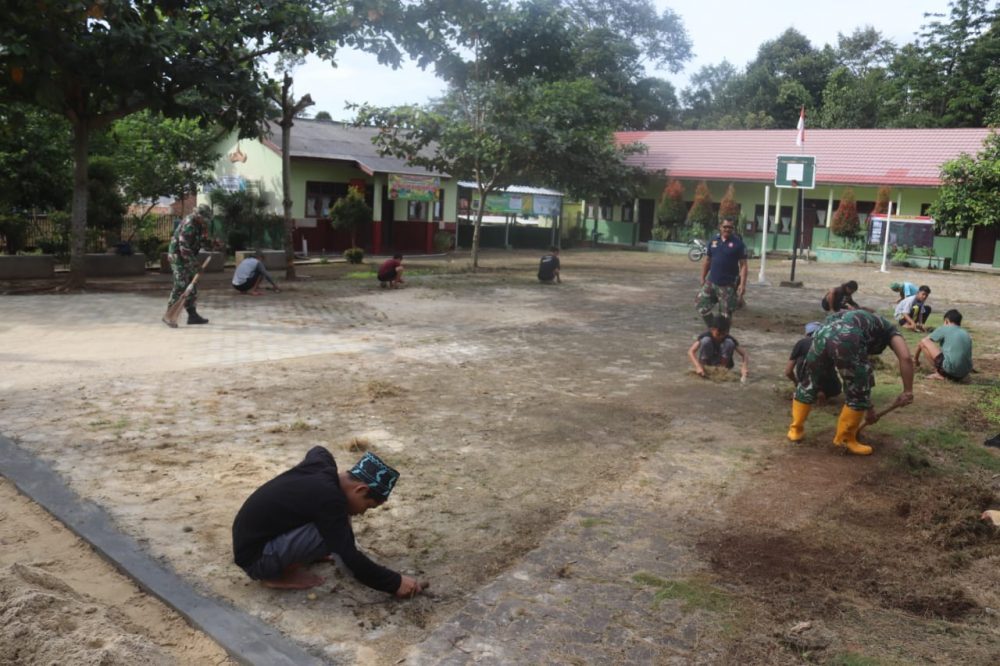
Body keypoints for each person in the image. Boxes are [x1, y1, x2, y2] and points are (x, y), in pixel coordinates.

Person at [232, 446, 425, 597]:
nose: (363, 513)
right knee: (336, 534)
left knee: (335, 525)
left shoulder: (323, 465)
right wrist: (395, 583)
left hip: (254, 541)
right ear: (360, 490)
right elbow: (350, 559)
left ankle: (296, 555)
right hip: (257, 560)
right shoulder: (329, 498)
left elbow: (318, 450)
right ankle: (275, 575)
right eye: (368, 506)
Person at [788, 310, 914, 456]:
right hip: (849, 337)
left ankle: (795, 430)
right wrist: (908, 390)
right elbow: (906, 358)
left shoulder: (855, 318)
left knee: (809, 382)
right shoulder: (889, 330)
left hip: (822, 333)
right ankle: (845, 440)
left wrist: (869, 407)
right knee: (858, 390)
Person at [162, 208, 210, 327]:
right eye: (204, 219)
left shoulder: (199, 225)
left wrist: (212, 243)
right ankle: (169, 314)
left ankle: (192, 315)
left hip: (188, 257)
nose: (205, 221)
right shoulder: (189, 224)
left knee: (192, 284)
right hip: (178, 256)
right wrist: (195, 264)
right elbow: (184, 247)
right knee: (181, 284)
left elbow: (199, 241)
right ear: (198, 216)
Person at [696, 217, 747, 326]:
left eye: (730, 227)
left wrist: (742, 284)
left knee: (725, 317)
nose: (727, 229)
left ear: (733, 229)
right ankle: (713, 328)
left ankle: (723, 338)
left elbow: (743, 265)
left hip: (727, 286)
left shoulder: (738, 244)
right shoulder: (713, 241)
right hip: (711, 282)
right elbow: (707, 260)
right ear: (720, 227)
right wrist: (702, 277)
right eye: (725, 227)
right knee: (700, 305)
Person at [785, 322, 843, 400]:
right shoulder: (829, 342)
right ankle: (822, 391)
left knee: (803, 361)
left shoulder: (801, 343)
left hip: (805, 382)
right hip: (829, 384)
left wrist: (796, 382)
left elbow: (788, 371)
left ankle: (807, 391)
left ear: (807, 333)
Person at [914, 309, 972, 381]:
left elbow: (923, 342)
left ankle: (939, 373)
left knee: (924, 342)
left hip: (950, 371)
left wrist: (915, 359)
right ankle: (948, 373)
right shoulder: (965, 333)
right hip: (964, 374)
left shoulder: (945, 328)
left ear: (946, 321)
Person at [688, 314, 749, 380]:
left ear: (727, 331)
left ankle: (722, 370)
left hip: (723, 364)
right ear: (711, 329)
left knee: (729, 343)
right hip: (708, 363)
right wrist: (697, 366)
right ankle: (704, 368)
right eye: (718, 334)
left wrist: (744, 367)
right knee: (706, 341)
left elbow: (744, 354)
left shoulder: (729, 338)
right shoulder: (706, 335)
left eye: (724, 334)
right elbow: (691, 351)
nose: (721, 336)